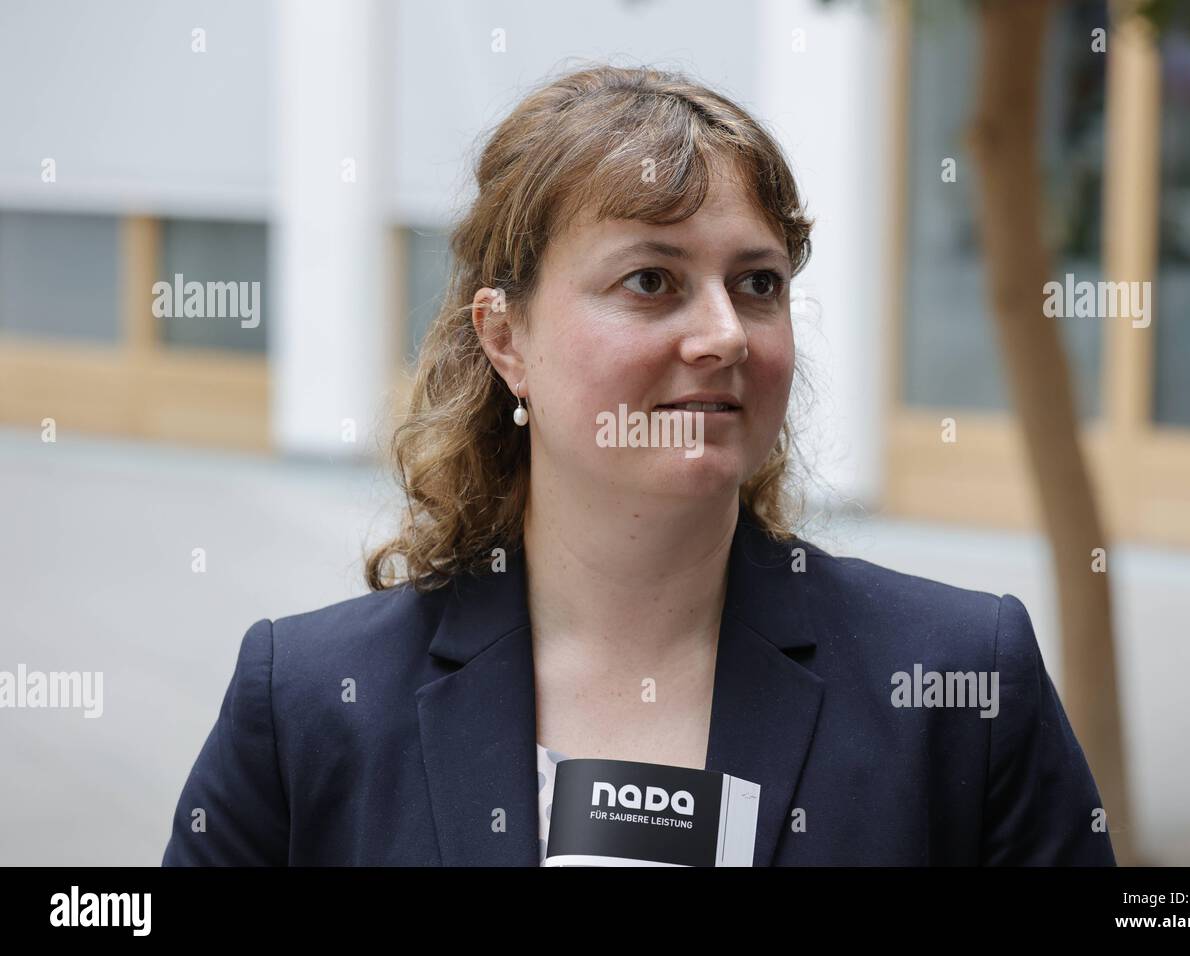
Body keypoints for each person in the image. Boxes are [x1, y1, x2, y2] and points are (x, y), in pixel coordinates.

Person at [162, 62, 1116, 867]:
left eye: (758, 284)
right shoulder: (307, 701)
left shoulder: (958, 680)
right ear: (506, 338)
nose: (723, 335)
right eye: (651, 280)